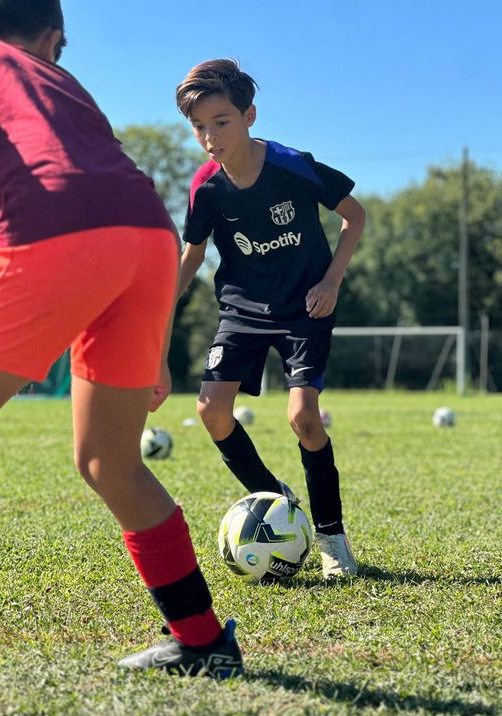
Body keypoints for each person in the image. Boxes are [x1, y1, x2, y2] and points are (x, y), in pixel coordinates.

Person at [0, 0, 241, 678]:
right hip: (149, 238)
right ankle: (203, 642)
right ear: (53, 39)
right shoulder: (63, 85)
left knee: (110, 461)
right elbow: (108, 184)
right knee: (110, 461)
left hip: (57, 228)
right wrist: (153, 343)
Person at [176, 59, 366, 578]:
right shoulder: (205, 187)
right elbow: (194, 254)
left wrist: (331, 281)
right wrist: (162, 306)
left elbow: (355, 216)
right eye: (199, 126)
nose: (210, 137)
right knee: (211, 411)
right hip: (241, 309)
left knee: (303, 418)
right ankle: (275, 499)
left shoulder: (291, 165)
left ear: (249, 116)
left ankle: (331, 538)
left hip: (305, 307)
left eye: (221, 122)